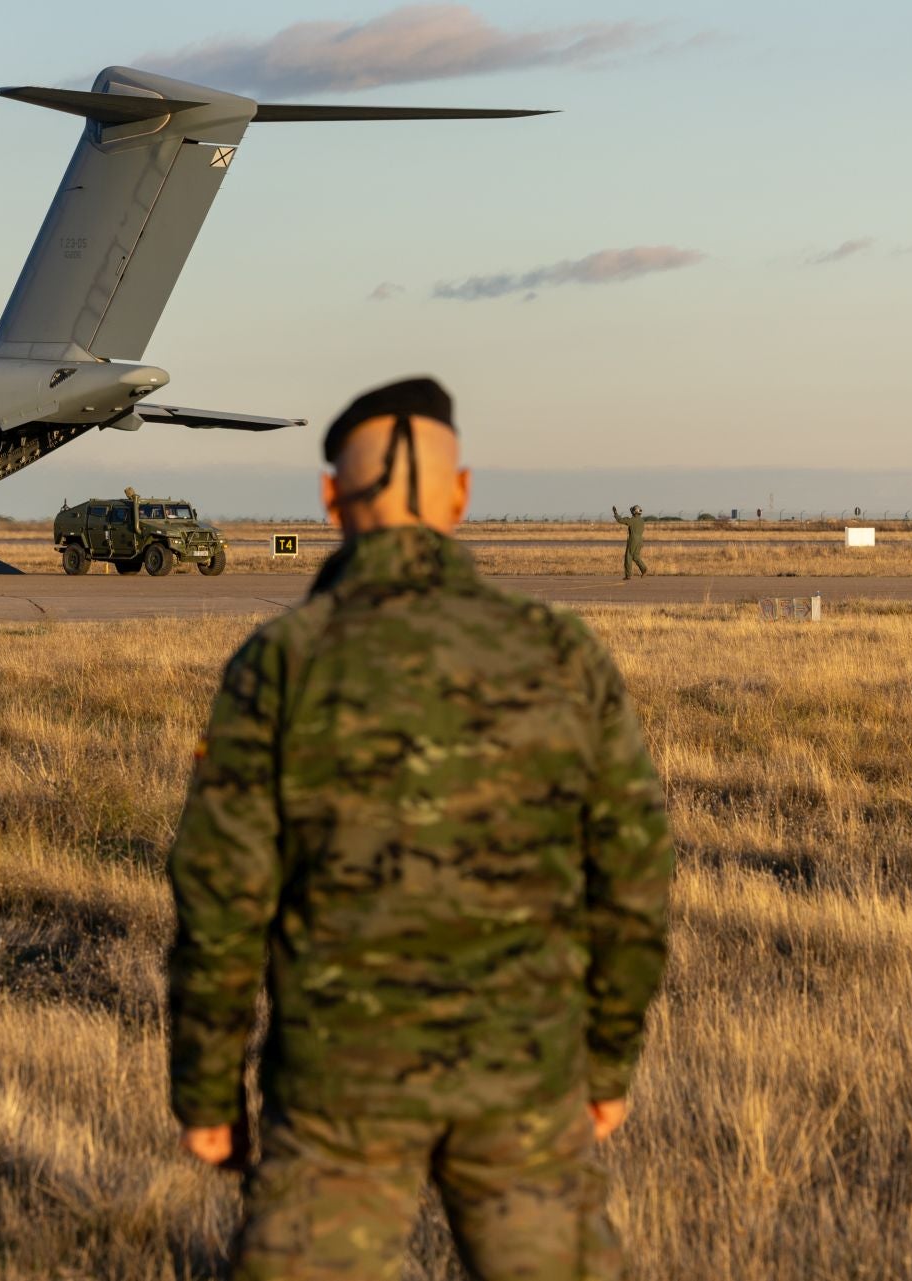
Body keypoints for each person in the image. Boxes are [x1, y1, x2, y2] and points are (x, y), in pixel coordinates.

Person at [167, 377, 674, 1280]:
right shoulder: (563, 654)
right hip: (524, 1076)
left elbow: (222, 894)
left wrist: (208, 1087)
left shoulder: (282, 661)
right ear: (461, 494)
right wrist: (605, 1061)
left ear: (330, 501)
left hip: (339, 1088)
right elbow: (633, 876)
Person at [612, 505, 648, 580]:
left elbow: (620, 520)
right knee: (636, 556)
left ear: (635, 512)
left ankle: (628, 575)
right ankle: (644, 569)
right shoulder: (642, 520)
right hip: (640, 540)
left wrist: (615, 513)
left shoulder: (632, 520)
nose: (631, 512)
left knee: (629, 556)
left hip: (633, 539)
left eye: (632, 510)